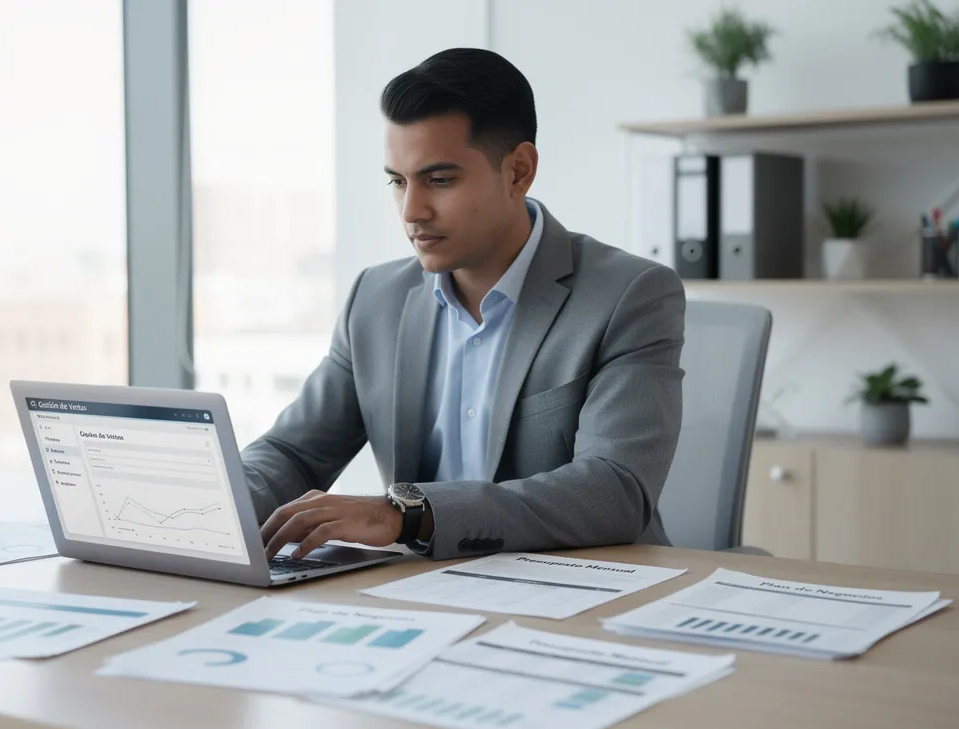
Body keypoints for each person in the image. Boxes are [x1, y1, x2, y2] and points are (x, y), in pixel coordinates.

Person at [242, 47, 685, 562]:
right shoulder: (376, 299)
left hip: (589, 586)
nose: (412, 211)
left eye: (439, 180)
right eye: (398, 181)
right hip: (424, 591)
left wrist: (407, 514)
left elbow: (613, 491)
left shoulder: (629, 295)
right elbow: (293, 453)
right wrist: (215, 503)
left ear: (518, 171)